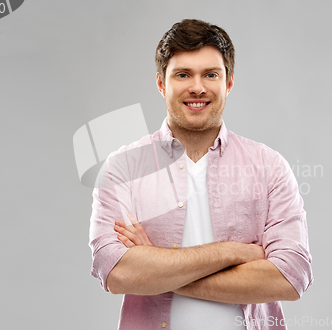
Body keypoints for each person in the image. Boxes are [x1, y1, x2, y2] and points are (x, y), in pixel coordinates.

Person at [89, 19, 313, 330]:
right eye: (183, 74)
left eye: (211, 74)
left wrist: (155, 265)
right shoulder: (122, 168)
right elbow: (115, 273)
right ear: (161, 84)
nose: (198, 87)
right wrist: (233, 252)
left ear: (228, 83)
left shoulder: (269, 167)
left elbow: (291, 277)